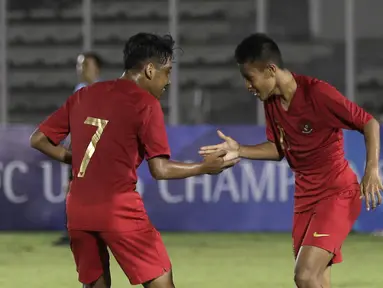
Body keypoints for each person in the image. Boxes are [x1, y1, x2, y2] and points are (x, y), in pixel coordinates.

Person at [30, 33, 239, 288]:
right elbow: (160, 169)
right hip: (118, 208)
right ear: (150, 70)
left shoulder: (84, 95)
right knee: (161, 282)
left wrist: (76, 159)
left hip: (78, 208)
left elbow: (39, 139)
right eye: (167, 71)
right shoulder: (146, 104)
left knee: (94, 284)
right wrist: (203, 167)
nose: (169, 81)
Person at [199, 33, 383, 288]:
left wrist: (371, 169)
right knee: (316, 279)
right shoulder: (272, 103)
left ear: (270, 70)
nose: (247, 86)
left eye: (249, 78)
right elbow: (278, 149)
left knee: (304, 275)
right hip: (305, 200)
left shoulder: (317, 93)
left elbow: (369, 123)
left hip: (336, 195)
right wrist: (240, 150)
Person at [53, 51, 104, 246]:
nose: (80, 69)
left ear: (96, 69)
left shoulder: (98, 91)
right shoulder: (81, 89)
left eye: (85, 65)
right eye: (79, 65)